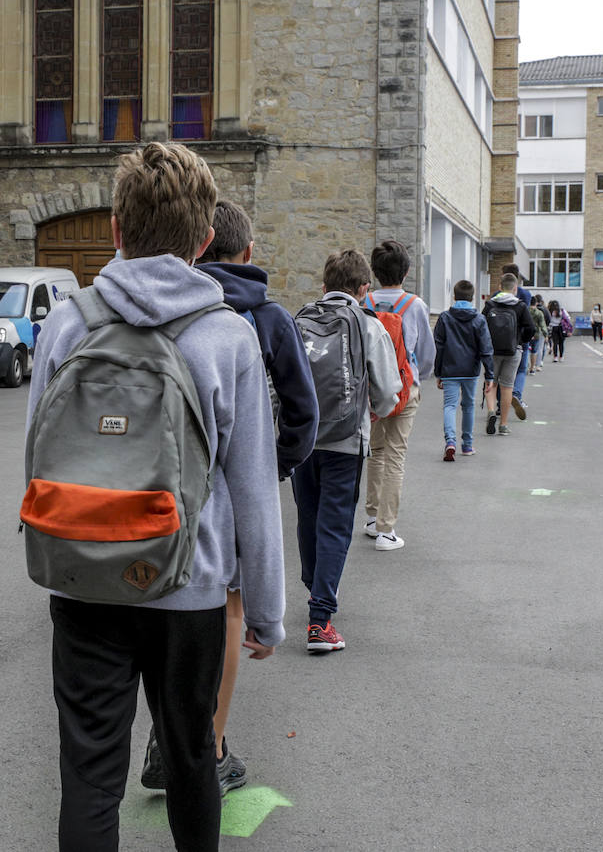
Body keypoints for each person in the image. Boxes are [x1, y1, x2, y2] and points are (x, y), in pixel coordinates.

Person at [27, 143, 285, 851]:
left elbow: (35, 453)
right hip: (189, 589)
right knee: (192, 757)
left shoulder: (67, 323)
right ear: (205, 241)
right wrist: (263, 611)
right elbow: (254, 490)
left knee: (88, 775)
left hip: (84, 578)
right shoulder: (227, 335)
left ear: (115, 228)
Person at [139, 198, 316, 796]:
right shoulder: (262, 318)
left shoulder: (148, 303)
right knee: (226, 613)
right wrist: (274, 468)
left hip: (145, 492)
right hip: (227, 494)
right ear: (246, 251)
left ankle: (166, 734)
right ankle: (207, 743)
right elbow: (303, 412)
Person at [293, 249, 400, 651]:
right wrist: (375, 410)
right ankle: (320, 621)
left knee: (308, 517)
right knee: (335, 523)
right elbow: (389, 393)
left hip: (303, 439)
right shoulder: (367, 324)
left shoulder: (299, 319)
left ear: (323, 288)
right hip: (344, 441)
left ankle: (314, 587)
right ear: (363, 290)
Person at [361, 239, 434, 551]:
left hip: (372, 389)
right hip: (405, 388)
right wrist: (420, 377)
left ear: (375, 273)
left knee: (376, 451)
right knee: (396, 454)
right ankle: (386, 530)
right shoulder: (414, 306)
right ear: (406, 273)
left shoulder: (365, 303)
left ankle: (372, 517)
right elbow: (427, 353)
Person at [432, 280, 493, 459]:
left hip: (450, 370)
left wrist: (438, 372)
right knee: (468, 406)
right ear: (472, 297)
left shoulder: (444, 318)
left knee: (449, 406)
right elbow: (486, 348)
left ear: (454, 296)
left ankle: (450, 442)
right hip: (470, 372)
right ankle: (467, 445)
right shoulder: (479, 319)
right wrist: (489, 374)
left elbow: (439, 346)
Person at [482, 273, 535, 436]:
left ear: (499, 287)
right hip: (513, 351)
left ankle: (491, 411)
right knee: (507, 387)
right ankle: (503, 425)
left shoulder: (490, 304)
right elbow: (531, 329)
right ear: (515, 288)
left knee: (491, 383)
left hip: (492, 351)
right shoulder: (520, 306)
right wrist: (520, 341)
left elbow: (481, 326)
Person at [502, 263, 535, 411]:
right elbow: (527, 320)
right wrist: (526, 338)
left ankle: (500, 404)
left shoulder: (497, 296)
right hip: (520, 339)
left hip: (500, 340)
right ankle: (516, 395)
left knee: (500, 374)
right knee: (521, 370)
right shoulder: (526, 295)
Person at [528, 294, 549, 374]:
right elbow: (542, 325)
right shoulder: (539, 313)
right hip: (536, 334)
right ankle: (532, 368)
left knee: (526, 350)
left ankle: (526, 366)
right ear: (536, 303)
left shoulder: (526, 311)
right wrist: (545, 334)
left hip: (527, 335)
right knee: (534, 351)